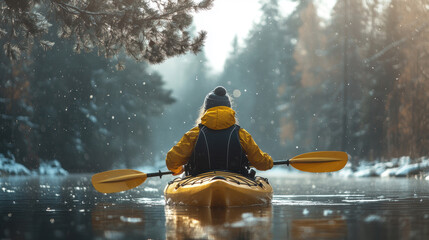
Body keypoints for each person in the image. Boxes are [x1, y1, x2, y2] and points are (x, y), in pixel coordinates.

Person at [165, 86, 273, 177]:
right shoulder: (241, 134)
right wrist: (269, 161)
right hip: (235, 180)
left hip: (200, 180)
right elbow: (262, 163)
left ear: (206, 110)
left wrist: (178, 169)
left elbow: (171, 161)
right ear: (229, 109)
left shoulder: (194, 134)